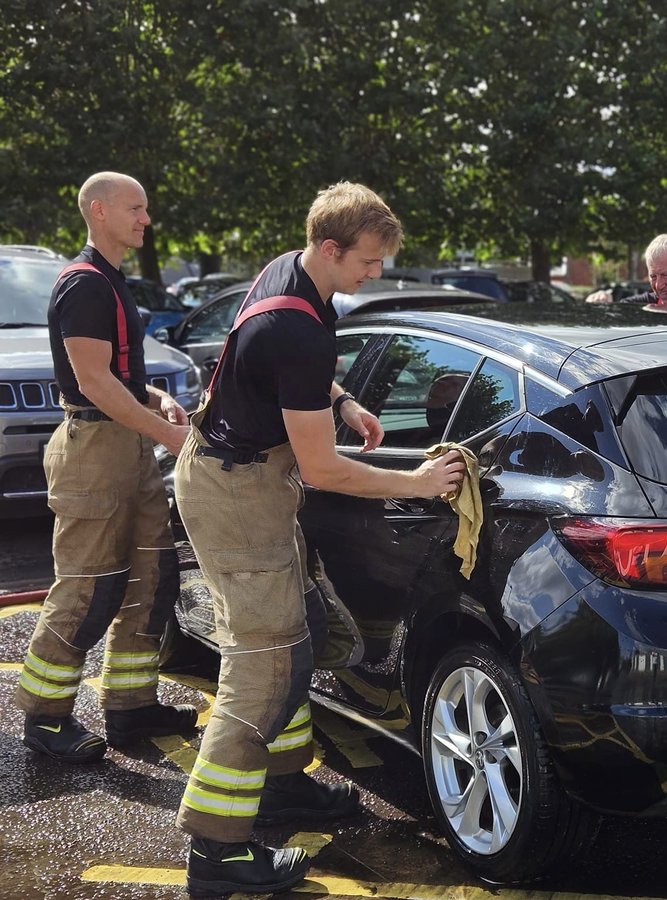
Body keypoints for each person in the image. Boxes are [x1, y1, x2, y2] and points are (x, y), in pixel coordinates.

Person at [174, 182, 466, 896]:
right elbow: (323, 469)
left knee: (298, 629)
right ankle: (217, 852)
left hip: (246, 479)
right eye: (368, 262)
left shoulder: (292, 272)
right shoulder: (296, 327)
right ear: (329, 248)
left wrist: (342, 398)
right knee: (267, 664)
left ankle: (281, 790)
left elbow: (286, 382)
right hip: (237, 492)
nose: (376, 275)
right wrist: (421, 484)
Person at [14, 172, 197, 764]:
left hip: (128, 445)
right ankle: (44, 719)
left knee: (152, 577)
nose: (146, 219)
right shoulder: (85, 285)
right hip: (95, 453)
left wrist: (153, 398)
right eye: (136, 209)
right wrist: (167, 431)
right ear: (99, 211)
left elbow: (113, 375)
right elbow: (90, 380)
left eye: (146, 208)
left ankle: (129, 708)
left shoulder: (112, 279)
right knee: (90, 588)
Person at [585, 233, 667, 311]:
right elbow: (614, 313)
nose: (658, 285)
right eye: (653, 276)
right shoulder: (644, 306)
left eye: (665, 275)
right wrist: (599, 303)